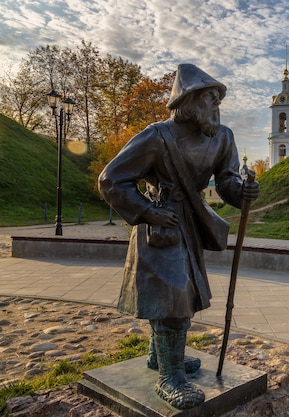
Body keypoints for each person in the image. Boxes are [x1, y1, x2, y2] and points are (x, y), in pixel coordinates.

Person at [98, 63, 259, 410]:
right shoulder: (156, 137)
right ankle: (170, 377)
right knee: (172, 294)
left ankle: (161, 357)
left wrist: (242, 191)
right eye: (210, 100)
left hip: (189, 222)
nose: (217, 107)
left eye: (218, 101)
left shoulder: (222, 137)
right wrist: (147, 210)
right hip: (159, 225)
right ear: (188, 102)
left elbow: (227, 181)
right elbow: (111, 179)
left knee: (179, 292)